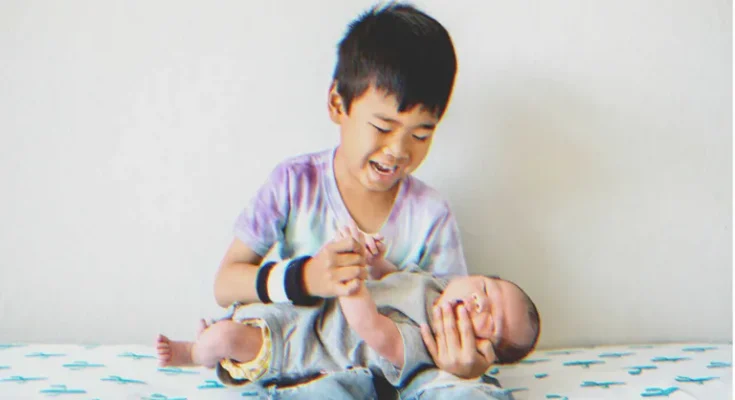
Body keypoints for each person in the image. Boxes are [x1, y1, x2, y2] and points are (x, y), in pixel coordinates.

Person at [213, 2, 488, 387]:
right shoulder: (295, 184)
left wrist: (466, 362)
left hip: (402, 374)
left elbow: (453, 312)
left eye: (421, 134)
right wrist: (305, 277)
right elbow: (225, 284)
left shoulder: (431, 213)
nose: (398, 150)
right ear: (337, 104)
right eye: (382, 126)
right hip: (313, 363)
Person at [156, 270, 541, 400]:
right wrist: (375, 260)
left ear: (484, 351)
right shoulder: (432, 284)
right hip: (306, 314)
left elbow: (374, 331)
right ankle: (213, 342)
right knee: (242, 318)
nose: (478, 303)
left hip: (302, 349)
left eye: (490, 321)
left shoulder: (428, 344)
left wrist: (352, 288)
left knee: (227, 339)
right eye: (487, 289)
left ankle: (191, 352)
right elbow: (394, 276)